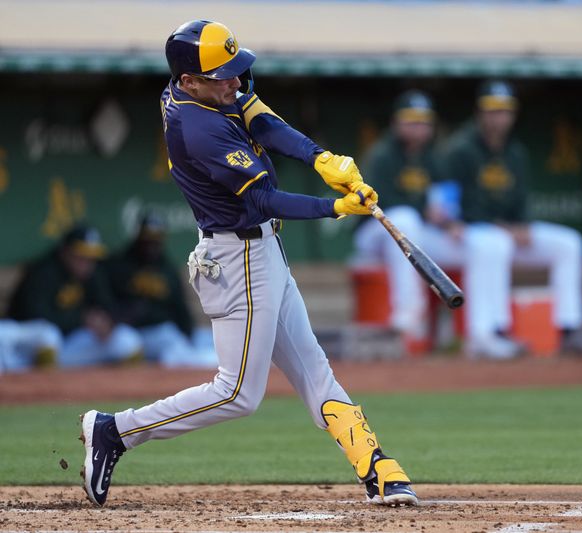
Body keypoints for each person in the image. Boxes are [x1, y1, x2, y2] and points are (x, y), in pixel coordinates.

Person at [78, 20, 417, 508]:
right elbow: (263, 200)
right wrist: (336, 207)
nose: (235, 82)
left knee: (313, 368)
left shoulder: (197, 90)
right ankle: (115, 430)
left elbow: (260, 117)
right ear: (190, 81)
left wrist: (321, 158)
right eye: (223, 76)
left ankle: (375, 465)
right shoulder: (198, 128)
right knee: (237, 392)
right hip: (238, 258)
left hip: (263, 251)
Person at [441, 80, 582, 359]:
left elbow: (520, 202)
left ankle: (570, 328)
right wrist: (505, 228)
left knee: (568, 243)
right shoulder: (460, 149)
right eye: (492, 111)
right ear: (480, 113)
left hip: (505, 233)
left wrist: (523, 227)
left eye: (504, 111)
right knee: (495, 242)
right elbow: (456, 205)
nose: (498, 117)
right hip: (469, 233)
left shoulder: (515, 152)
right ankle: (489, 332)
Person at [353, 90, 454, 346]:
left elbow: (445, 197)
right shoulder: (382, 155)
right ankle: (408, 315)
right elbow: (381, 206)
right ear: (396, 122)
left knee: (476, 243)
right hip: (373, 234)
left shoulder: (433, 157)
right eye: (411, 120)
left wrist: (449, 219)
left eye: (423, 121)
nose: (418, 127)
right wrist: (425, 211)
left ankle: (466, 329)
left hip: (414, 234)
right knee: (406, 219)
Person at [8, 225, 143, 367]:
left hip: (69, 346)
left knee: (126, 339)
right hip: (32, 346)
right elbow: (35, 317)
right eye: (81, 255)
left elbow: (105, 305)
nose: (87, 262)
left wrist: (105, 323)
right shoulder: (44, 273)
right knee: (48, 336)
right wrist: (81, 319)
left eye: (91, 257)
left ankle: (113, 387)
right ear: (66, 251)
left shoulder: (93, 275)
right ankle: (37, 383)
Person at [105, 213, 217, 368]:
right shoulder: (120, 265)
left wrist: (188, 332)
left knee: (205, 338)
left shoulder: (167, 269)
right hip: (136, 333)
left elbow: (180, 307)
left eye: (156, 239)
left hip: (165, 330)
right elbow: (111, 304)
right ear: (139, 237)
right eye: (148, 239)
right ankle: (212, 365)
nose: (152, 245)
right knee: (174, 345)